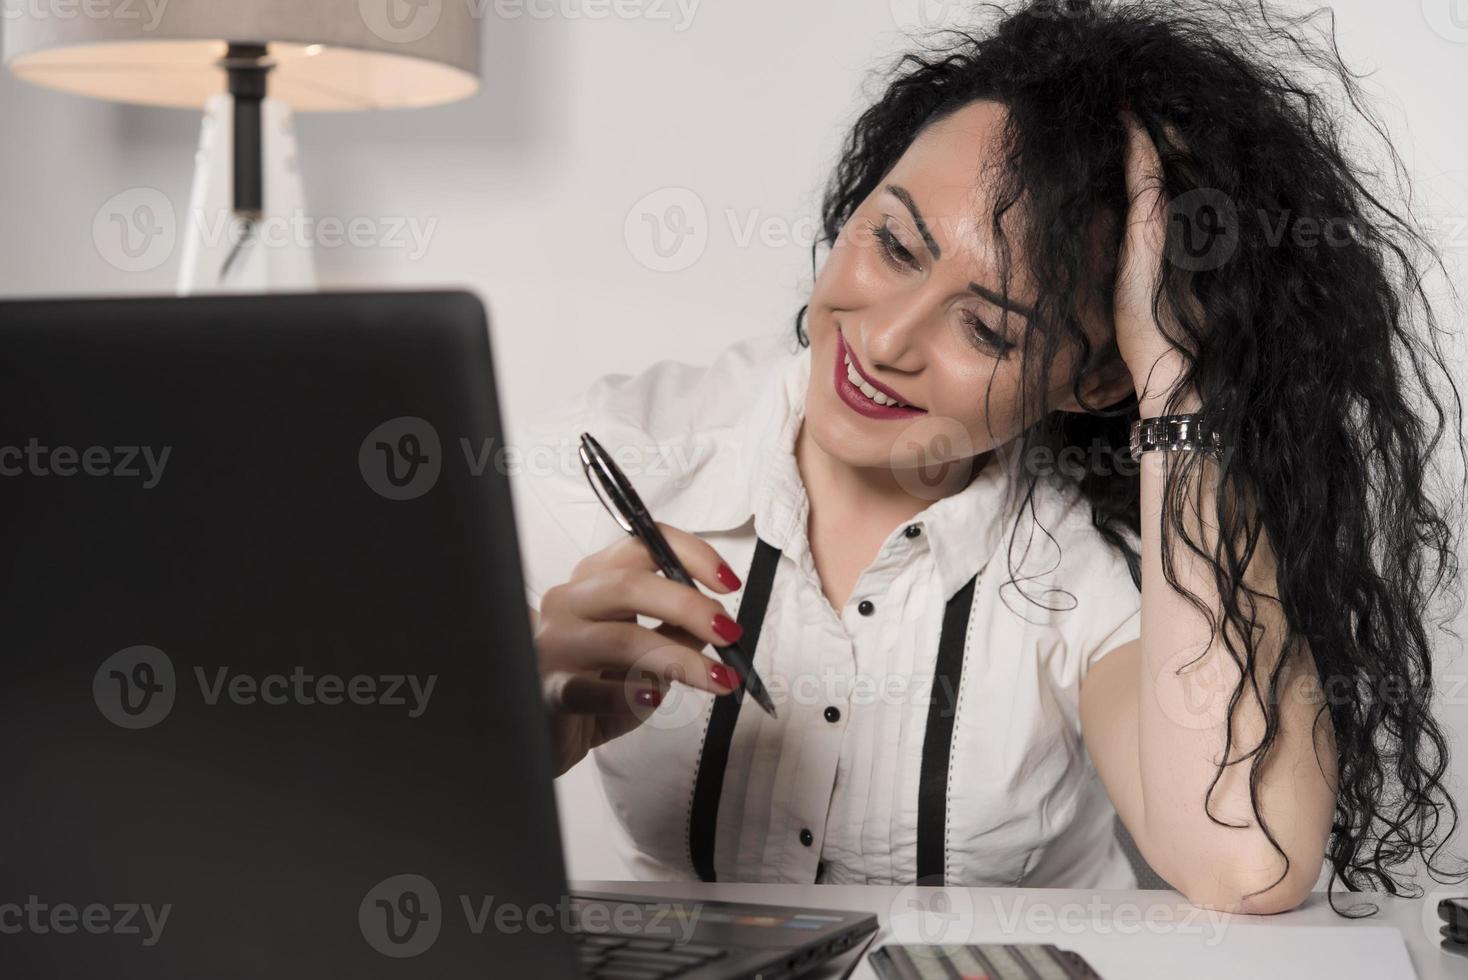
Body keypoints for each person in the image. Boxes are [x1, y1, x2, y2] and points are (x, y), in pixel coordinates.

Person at [510, 0, 1467, 917]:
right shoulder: (623, 456)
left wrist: (1180, 389)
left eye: (990, 327)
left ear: (1094, 381)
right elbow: (383, 793)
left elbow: (1246, 859)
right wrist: (521, 731)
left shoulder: (1101, 554)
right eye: (891, 244)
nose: (886, 341)